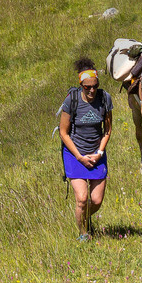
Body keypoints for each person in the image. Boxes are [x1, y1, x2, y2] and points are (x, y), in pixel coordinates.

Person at [58, 57, 113, 241]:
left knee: (96, 201)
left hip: (97, 153)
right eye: (87, 87)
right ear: (80, 84)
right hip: (74, 154)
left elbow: (108, 130)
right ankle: (83, 233)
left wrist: (99, 153)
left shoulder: (104, 99)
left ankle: (83, 217)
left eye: (94, 86)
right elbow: (64, 133)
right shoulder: (71, 101)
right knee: (82, 198)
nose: (91, 90)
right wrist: (80, 157)